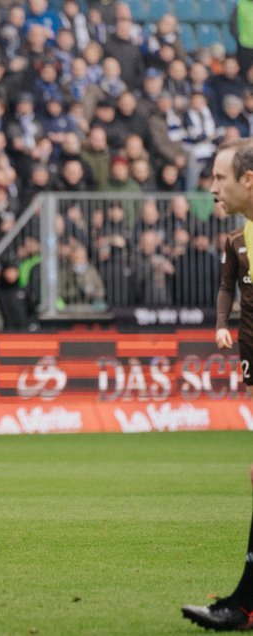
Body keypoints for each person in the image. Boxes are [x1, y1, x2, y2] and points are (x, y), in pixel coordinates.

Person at [182, 139, 253, 631]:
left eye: (220, 178)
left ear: (248, 181)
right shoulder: (245, 235)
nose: (212, 187)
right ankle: (244, 604)